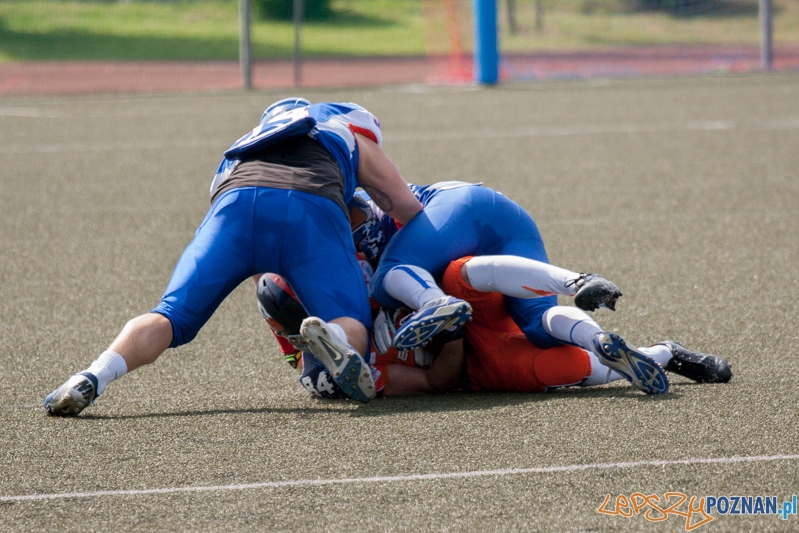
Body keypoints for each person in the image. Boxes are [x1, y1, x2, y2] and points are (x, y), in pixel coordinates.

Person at [43, 97, 423, 416]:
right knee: (352, 324)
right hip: (310, 204)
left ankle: (93, 375)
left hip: (235, 207)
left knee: (170, 315)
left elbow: (262, 277)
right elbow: (408, 210)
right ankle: (334, 336)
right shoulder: (345, 131)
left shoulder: (243, 144)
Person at [255, 261, 731, 399]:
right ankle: (664, 352)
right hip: (475, 364)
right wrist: (453, 335)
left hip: (455, 293)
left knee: (458, 272)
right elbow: (437, 382)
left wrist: (442, 310)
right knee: (554, 369)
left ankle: (571, 281)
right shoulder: (351, 376)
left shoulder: (349, 279)